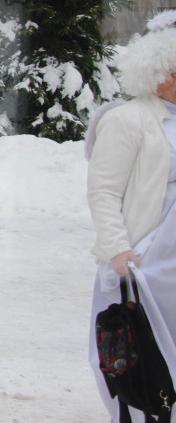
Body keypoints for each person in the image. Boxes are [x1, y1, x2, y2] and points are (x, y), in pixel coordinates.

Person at [85, 22, 176, 420]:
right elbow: (103, 191)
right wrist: (118, 249)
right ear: (155, 76)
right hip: (148, 255)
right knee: (144, 343)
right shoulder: (128, 120)